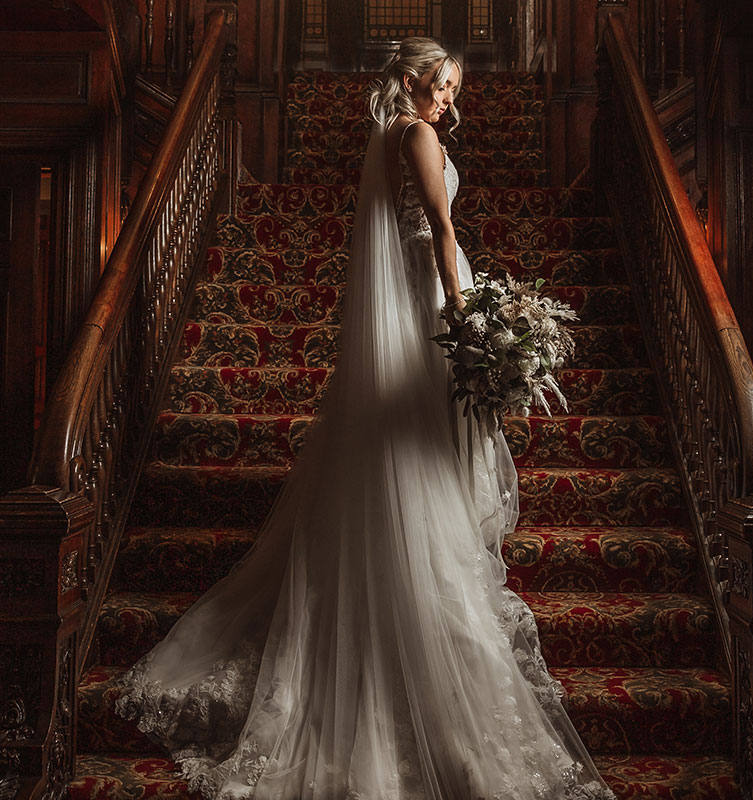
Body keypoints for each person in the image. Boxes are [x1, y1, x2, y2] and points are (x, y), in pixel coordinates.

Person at [115, 37, 616, 800]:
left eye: (453, 89)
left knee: (413, 462)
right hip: (429, 304)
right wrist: (468, 321)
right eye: (442, 85)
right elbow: (443, 233)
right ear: (412, 81)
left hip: (417, 302)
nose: (451, 100)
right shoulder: (414, 134)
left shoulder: (389, 134)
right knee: (416, 463)